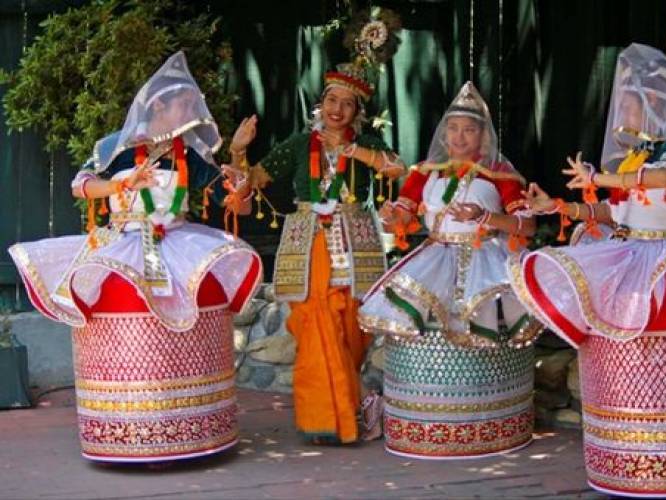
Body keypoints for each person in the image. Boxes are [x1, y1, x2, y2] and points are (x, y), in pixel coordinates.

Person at [509, 43, 666, 497]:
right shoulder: (635, 157)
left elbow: (663, 181)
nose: (619, 109)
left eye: (627, 99)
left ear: (653, 103)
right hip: (632, 263)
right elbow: (612, 212)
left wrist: (601, 179)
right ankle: (631, 460)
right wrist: (558, 206)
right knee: (624, 359)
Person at [8, 51, 263, 463]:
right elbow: (81, 185)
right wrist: (121, 187)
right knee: (124, 313)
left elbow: (237, 206)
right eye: (183, 105)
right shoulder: (118, 146)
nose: (190, 113)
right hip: (127, 242)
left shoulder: (190, 155)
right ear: (157, 105)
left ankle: (188, 426)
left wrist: (238, 165)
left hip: (178, 243)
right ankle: (127, 428)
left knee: (189, 315)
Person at [233, 29, 406, 445]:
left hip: (353, 240)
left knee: (350, 328)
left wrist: (353, 153)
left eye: (347, 103)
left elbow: (396, 168)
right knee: (313, 322)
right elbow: (253, 180)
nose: (338, 109)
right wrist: (239, 151)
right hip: (307, 239)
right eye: (332, 100)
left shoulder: (366, 142)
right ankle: (332, 417)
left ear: (358, 112)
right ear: (320, 103)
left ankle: (351, 408)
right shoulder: (298, 144)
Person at [358, 82, 540, 459]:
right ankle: (423, 425)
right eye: (453, 129)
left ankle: (488, 424)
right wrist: (393, 216)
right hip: (435, 257)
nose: (459, 137)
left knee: (488, 327)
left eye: (469, 129)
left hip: (485, 261)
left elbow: (528, 226)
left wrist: (486, 217)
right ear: (443, 133)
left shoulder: (500, 175)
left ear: (483, 137)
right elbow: (405, 215)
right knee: (423, 329)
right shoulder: (426, 172)